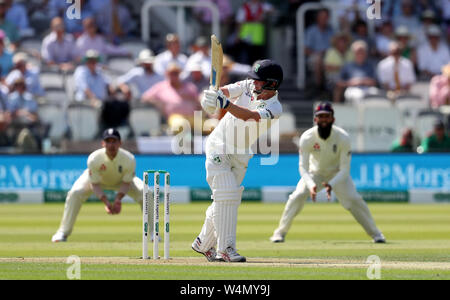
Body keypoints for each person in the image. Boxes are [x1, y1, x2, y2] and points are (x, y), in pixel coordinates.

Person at [192, 59, 284, 262]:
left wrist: (225, 104)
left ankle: (202, 242)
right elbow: (225, 91)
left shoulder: (275, 108)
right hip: (219, 146)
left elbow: (249, 116)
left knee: (226, 200)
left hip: (241, 153)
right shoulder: (248, 85)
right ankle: (226, 249)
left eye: (260, 81)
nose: (254, 83)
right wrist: (211, 96)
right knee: (226, 195)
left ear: (272, 84)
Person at [270, 102, 386, 244]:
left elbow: (345, 169)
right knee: (297, 196)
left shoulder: (343, 137)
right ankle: (279, 233)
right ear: (315, 120)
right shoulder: (307, 137)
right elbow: (303, 167)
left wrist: (331, 184)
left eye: (327, 116)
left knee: (354, 200)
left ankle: (376, 234)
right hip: (314, 173)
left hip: (337, 174)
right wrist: (311, 184)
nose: (324, 119)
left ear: (333, 119)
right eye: (321, 117)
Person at [51, 128, 145, 242]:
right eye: (108, 141)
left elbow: (126, 183)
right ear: (102, 143)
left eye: (114, 141)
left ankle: (152, 234)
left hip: (121, 181)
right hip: (98, 180)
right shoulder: (94, 159)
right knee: (75, 193)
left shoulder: (129, 159)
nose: (111, 145)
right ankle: (63, 232)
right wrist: (106, 202)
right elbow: (94, 184)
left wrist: (118, 200)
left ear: (120, 143)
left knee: (146, 193)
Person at [141, 62, 200, 130]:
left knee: (211, 126)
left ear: (179, 73)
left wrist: (190, 99)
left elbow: (199, 104)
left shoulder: (190, 87)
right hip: (174, 118)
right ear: (167, 74)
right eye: (171, 73)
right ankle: (188, 140)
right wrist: (157, 103)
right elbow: (144, 98)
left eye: (176, 73)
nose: (173, 75)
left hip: (192, 118)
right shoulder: (160, 87)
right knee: (181, 125)